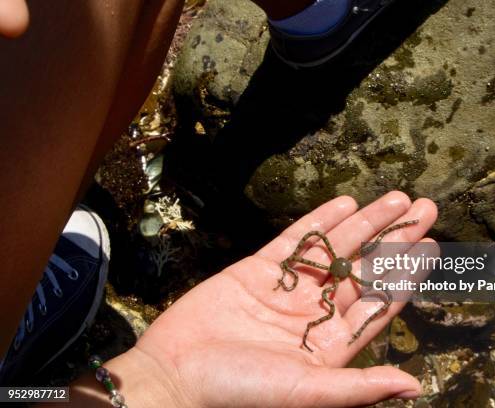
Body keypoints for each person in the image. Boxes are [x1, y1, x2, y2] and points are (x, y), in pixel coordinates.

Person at [0, 0, 439, 406]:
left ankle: (15, 366)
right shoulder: (325, 275)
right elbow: (312, 247)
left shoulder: (325, 270)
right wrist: (163, 384)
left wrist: (161, 381)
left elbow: (312, 243)